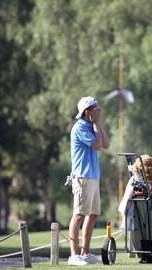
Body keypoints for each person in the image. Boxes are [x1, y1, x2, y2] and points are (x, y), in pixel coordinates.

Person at [67, 96, 110, 266]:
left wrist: (98, 123)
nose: (99, 110)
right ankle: (74, 255)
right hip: (82, 177)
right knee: (78, 215)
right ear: (87, 112)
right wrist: (95, 124)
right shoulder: (80, 128)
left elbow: (106, 144)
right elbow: (98, 146)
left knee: (93, 215)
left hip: (93, 176)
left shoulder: (92, 126)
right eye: (95, 108)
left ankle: (85, 253)